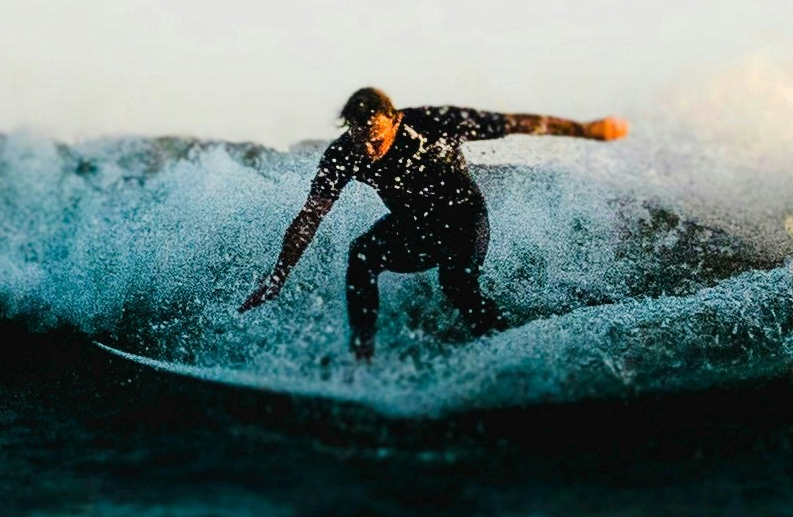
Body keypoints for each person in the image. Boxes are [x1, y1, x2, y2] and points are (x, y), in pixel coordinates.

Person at [239, 87, 627, 362]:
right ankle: (363, 359)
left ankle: (509, 353)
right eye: (360, 139)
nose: (369, 150)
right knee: (362, 255)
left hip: (464, 220)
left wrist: (586, 130)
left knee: (456, 285)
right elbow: (310, 217)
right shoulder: (343, 154)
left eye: (375, 138)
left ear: (395, 120)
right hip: (412, 227)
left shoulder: (433, 123)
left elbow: (512, 122)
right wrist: (277, 278)